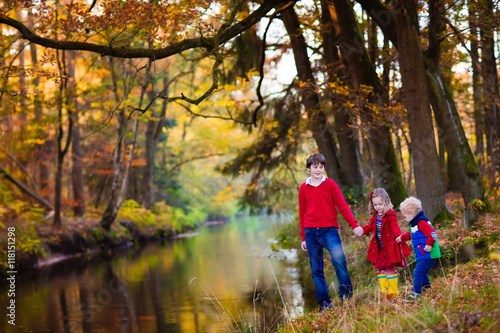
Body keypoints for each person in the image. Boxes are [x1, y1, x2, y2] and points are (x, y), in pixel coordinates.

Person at [299, 153, 364, 311]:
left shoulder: (330, 184)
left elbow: (343, 206)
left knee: (339, 262)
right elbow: (302, 213)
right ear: (309, 168)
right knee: (316, 270)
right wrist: (303, 237)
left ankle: (346, 297)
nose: (318, 170)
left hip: (330, 231)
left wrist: (354, 225)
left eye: (321, 167)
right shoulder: (303, 188)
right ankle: (324, 304)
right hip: (311, 233)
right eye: (315, 167)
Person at [357, 188, 411, 299]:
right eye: (375, 205)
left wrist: (399, 236)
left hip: (390, 247)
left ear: (386, 202)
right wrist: (362, 230)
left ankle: (393, 291)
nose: (378, 207)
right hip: (380, 247)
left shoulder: (390, 215)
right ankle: (384, 290)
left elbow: (395, 227)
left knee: (389, 268)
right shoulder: (376, 216)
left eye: (380, 204)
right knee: (380, 268)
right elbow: (370, 227)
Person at [396, 196, 441, 301]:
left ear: (412, 213)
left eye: (404, 216)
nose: (404, 219)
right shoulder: (416, 224)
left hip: (429, 254)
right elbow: (412, 234)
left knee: (418, 272)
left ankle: (416, 292)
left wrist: (429, 245)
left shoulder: (422, 223)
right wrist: (402, 237)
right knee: (422, 271)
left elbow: (432, 234)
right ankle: (427, 288)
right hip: (423, 254)